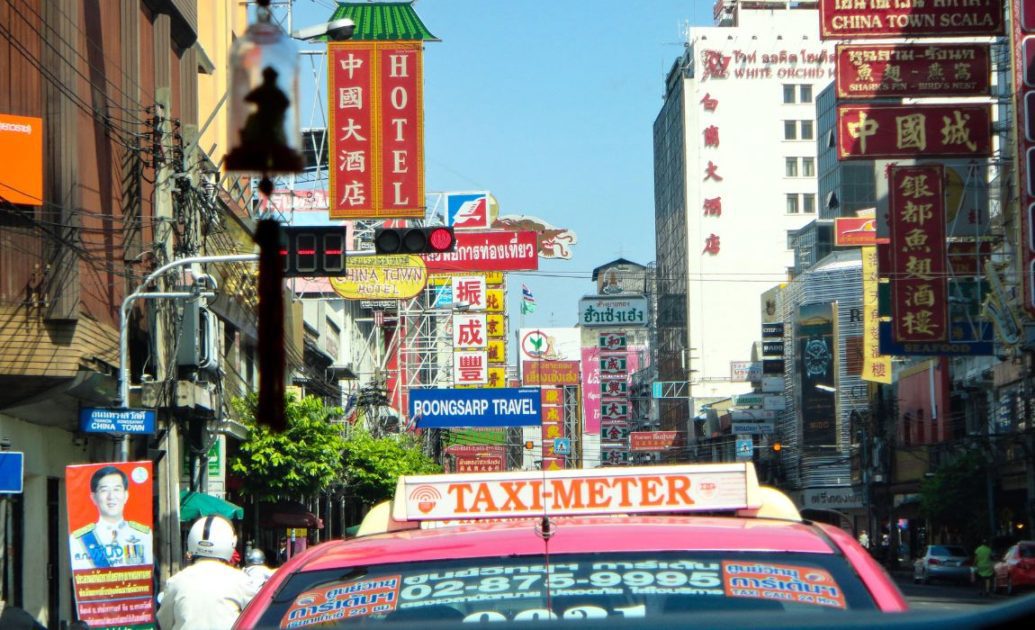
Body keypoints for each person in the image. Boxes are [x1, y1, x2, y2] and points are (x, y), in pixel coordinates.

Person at [156, 516, 260, 629]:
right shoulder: (241, 581)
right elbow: (258, 618)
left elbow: (163, 623)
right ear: (232, 543)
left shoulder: (176, 582)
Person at [70, 466, 152, 570]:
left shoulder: (143, 534)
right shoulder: (79, 539)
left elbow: (147, 575)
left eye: (116, 489)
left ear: (126, 495)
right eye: (104, 490)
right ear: (94, 497)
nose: (111, 496)